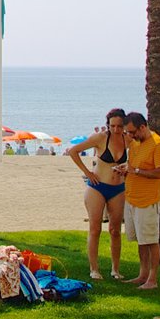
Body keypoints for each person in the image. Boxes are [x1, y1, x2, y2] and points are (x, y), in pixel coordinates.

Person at [66, 108, 132, 280]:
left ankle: (115, 270)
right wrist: (88, 173)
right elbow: (73, 151)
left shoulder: (128, 139)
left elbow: (140, 155)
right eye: (112, 126)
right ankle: (94, 269)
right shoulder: (101, 138)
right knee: (95, 228)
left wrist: (128, 169)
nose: (116, 129)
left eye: (119, 126)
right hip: (97, 187)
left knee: (115, 230)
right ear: (107, 125)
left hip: (118, 189)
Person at [121, 111, 160, 290]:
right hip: (131, 198)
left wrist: (137, 172)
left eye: (133, 132)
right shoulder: (135, 144)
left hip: (148, 200)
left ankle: (152, 279)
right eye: (128, 132)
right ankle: (142, 274)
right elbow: (133, 166)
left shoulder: (158, 145)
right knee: (140, 240)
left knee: (150, 240)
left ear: (143, 127)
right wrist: (125, 169)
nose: (130, 136)